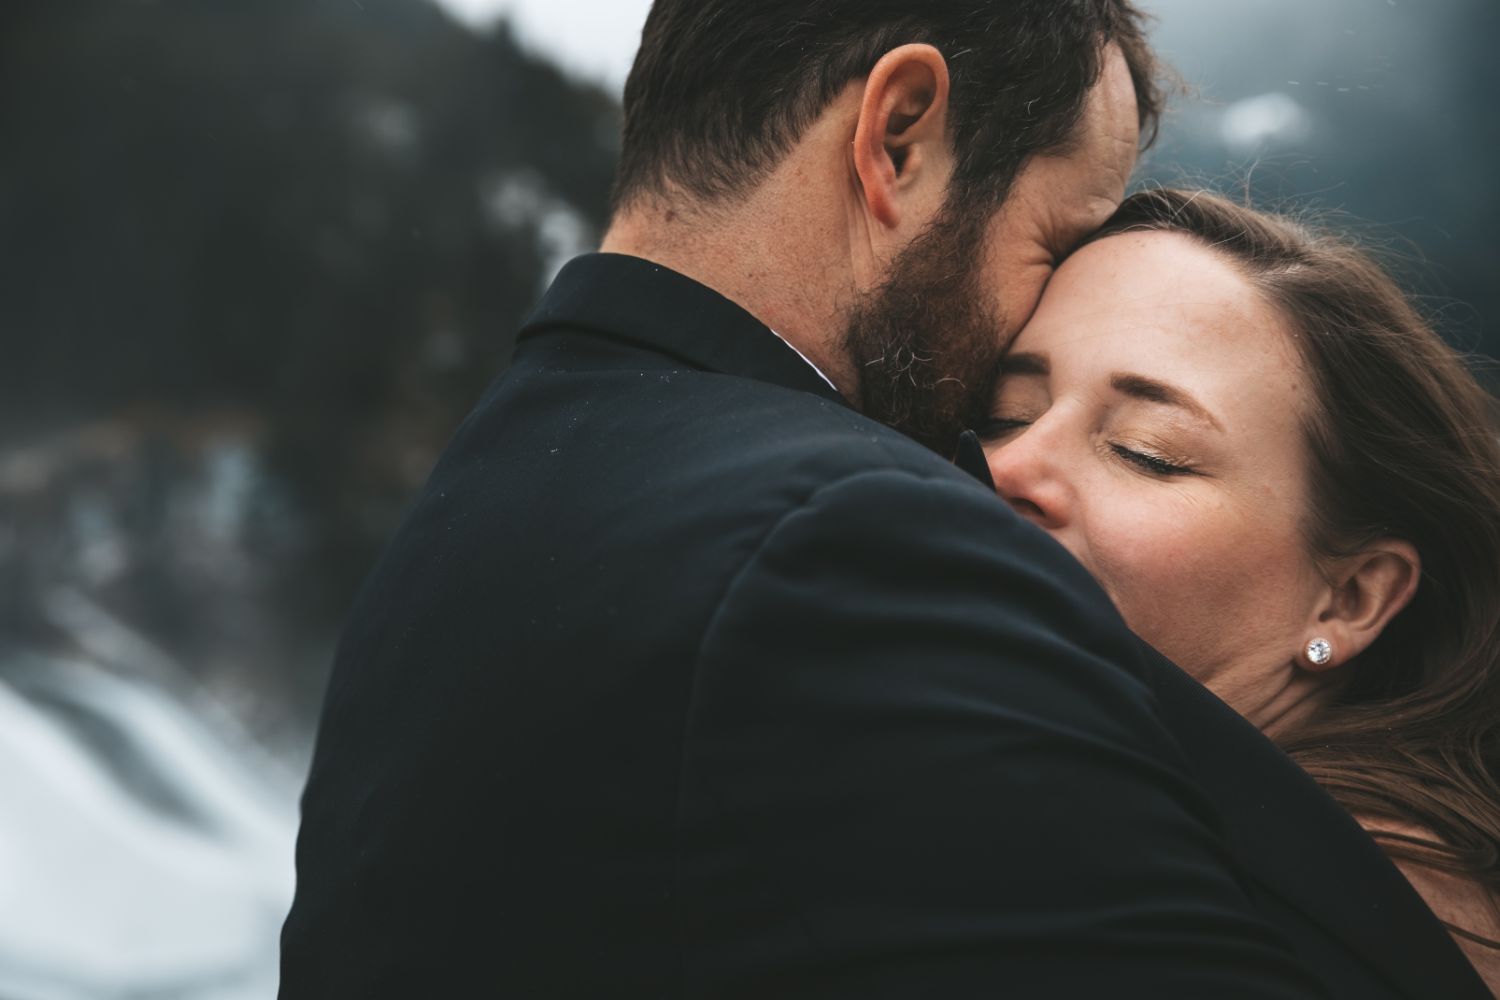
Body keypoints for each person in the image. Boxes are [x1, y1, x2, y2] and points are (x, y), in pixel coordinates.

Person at [279, 4, 1459, 998]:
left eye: (1145, 445)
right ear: (898, 136)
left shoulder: (494, 492)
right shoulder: (845, 542)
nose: (999, 465)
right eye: (1054, 238)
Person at [981, 187, 1500, 994]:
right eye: (1002, 412)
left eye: (1145, 451)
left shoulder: (1311, 912)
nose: (1004, 466)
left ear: (1353, 599)